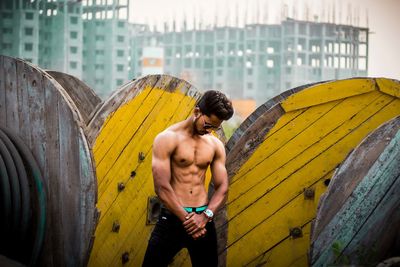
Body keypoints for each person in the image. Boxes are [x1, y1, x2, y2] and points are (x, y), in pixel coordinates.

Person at [142, 90, 234, 267]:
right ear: (197, 112)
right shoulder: (167, 139)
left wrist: (205, 217)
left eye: (215, 127)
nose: (210, 131)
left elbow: (222, 186)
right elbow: (161, 187)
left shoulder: (215, 145)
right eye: (208, 125)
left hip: (203, 221)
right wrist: (187, 219)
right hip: (172, 220)